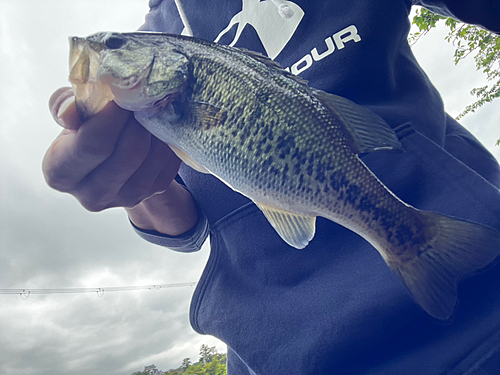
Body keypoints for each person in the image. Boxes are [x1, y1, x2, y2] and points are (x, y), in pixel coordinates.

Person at [44, 1, 500, 374]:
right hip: (290, 352)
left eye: (115, 46)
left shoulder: (171, 63)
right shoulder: (159, 48)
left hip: (487, 309)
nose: (99, 50)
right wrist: (134, 183)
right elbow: (183, 228)